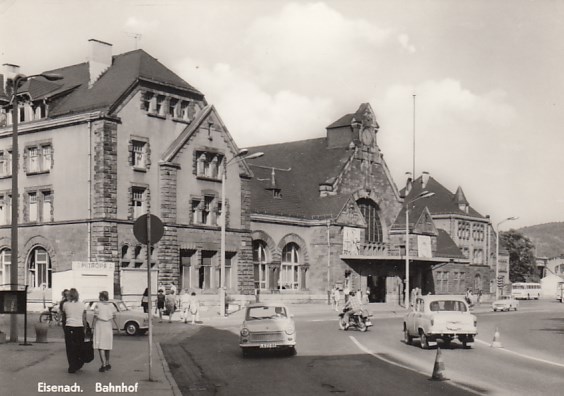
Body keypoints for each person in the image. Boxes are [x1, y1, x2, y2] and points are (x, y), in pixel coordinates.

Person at [92, 291, 118, 373]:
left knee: (101, 346)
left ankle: (103, 364)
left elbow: (95, 317)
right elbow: (114, 317)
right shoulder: (111, 305)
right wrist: (117, 327)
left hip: (100, 325)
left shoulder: (98, 305)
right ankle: (107, 363)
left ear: (102, 297)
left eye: (100, 296)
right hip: (108, 325)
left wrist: (92, 327)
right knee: (107, 345)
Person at [62, 288, 86, 373]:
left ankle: (71, 365)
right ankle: (78, 363)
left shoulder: (65, 304)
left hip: (69, 326)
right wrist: (85, 328)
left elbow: (64, 314)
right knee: (79, 346)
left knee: (70, 347)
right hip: (79, 326)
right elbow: (84, 318)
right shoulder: (82, 305)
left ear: (69, 296)